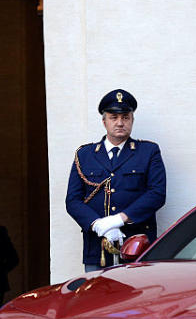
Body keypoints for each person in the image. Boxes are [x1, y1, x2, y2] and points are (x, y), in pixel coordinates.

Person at [66, 89, 166, 272]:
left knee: (137, 299)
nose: (120, 123)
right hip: (97, 248)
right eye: (114, 117)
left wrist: (119, 220)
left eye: (126, 117)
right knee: (96, 299)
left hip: (137, 246)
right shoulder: (85, 155)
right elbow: (72, 201)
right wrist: (98, 225)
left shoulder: (148, 152)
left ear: (132, 120)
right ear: (104, 122)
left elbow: (157, 194)